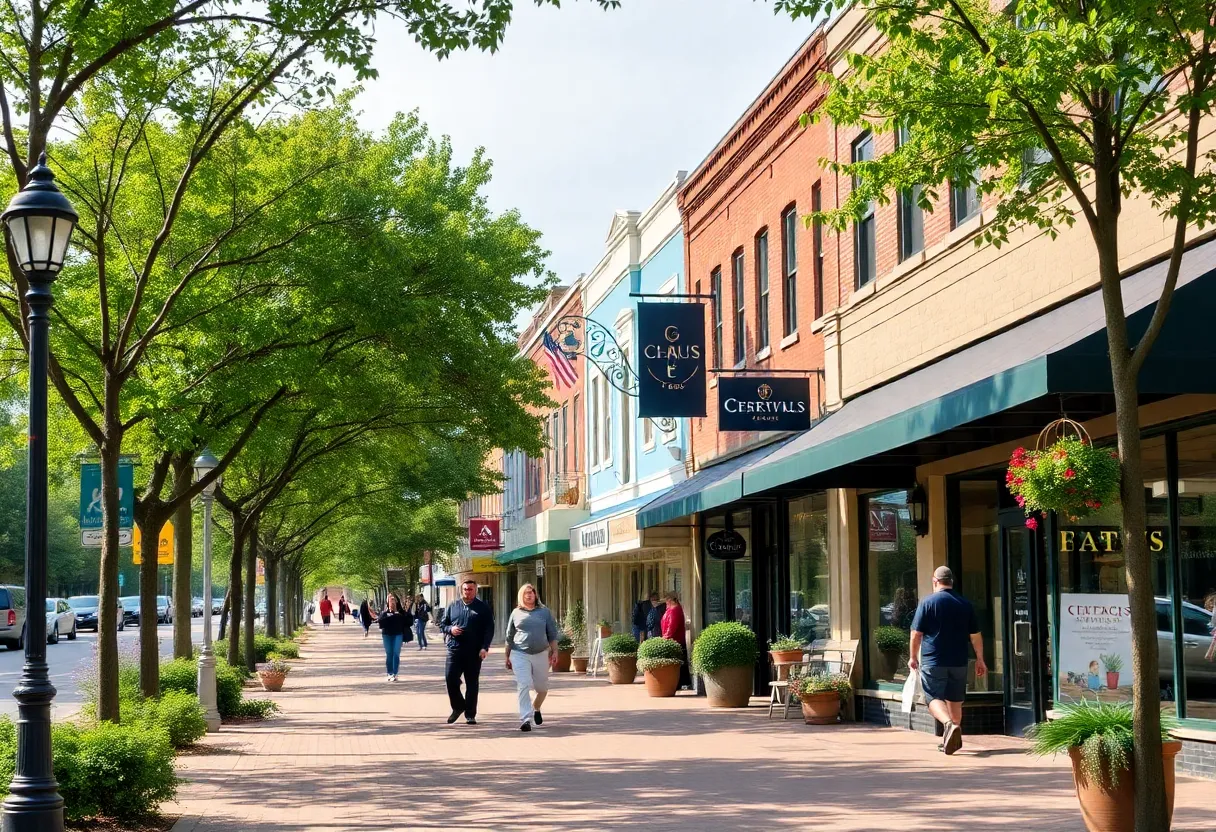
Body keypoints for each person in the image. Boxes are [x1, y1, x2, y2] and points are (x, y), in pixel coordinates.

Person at [908, 566, 986, 756]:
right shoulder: (965, 604)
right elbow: (975, 636)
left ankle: (949, 725)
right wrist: (980, 660)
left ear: (935, 581)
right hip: (959, 660)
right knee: (955, 700)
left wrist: (912, 657)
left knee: (933, 698)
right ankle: (952, 737)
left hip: (933, 661)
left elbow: (916, 634)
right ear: (952, 581)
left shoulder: (927, 602)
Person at [505, 583, 559, 732]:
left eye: (531, 593)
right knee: (524, 684)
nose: (529, 595)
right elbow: (509, 636)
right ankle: (525, 719)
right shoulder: (516, 613)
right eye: (525, 593)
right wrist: (507, 656)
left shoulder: (544, 612)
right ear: (521, 596)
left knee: (542, 688)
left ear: (536, 595)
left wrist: (555, 651)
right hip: (519, 653)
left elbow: (552, 634)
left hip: (541, 653)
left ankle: (536, 707)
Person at [440, 579, 494, 725]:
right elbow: (443, 624)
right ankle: (458, 706)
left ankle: (470, 714)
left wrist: (485, 647)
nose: (467, 592)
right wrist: (450, 629)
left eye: (470, 589)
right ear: (461, 590)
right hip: (454, 649)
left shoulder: (482, 608)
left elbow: (489, 629)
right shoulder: (453, 605)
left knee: (472, 683)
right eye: (465, 589)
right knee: (450, 678)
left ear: (476, 590)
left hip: (474, 651)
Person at [661, 591, 691, 690]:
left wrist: (666, 637)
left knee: (678, 663)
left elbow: (672, 626)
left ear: (672, 600)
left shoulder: (675, 610)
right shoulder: (670, 609)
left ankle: (679, 682)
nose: (666, 601)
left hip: (676, 640)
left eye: (668, 599)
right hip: (672, 639)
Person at [377, 594, 410, 682]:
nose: (392, 602)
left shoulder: (401, 612)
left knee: (396, 653)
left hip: (398, 634)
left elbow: (408, 621)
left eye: (393, 600)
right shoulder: (384, 613)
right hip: (387, 635)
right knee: (389, 654)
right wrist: (390, 615)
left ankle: (395, 673)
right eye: (390, 600)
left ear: (396, 601)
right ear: (387, 602)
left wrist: (405, 612)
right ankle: (390, 673)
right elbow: (381, 624)